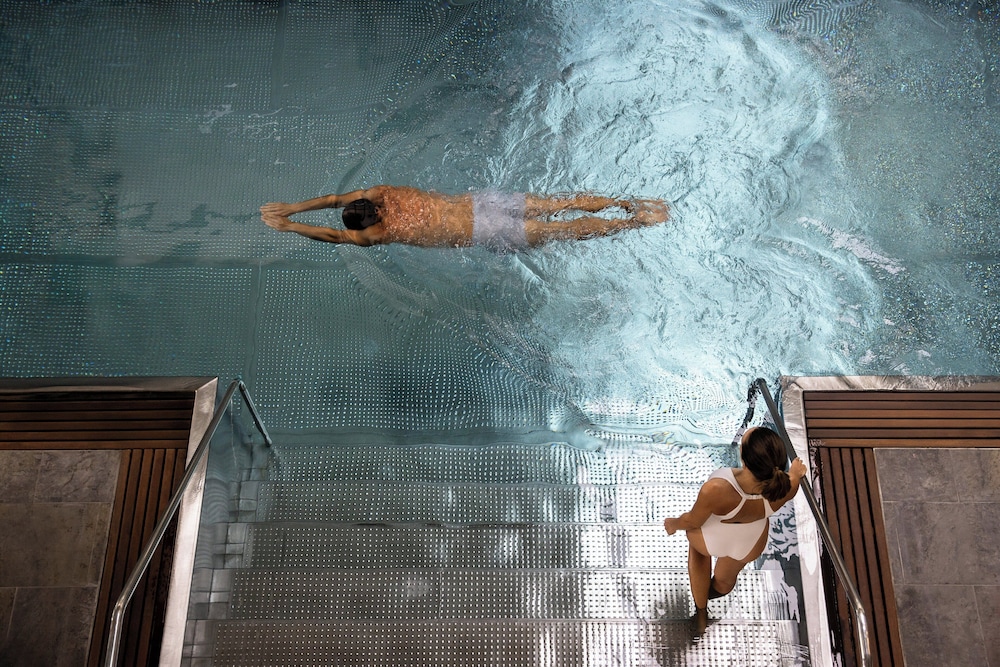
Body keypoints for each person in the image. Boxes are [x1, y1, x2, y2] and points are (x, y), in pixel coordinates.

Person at [663, 427, 806, 616]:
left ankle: (701, 610)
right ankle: (712, 593)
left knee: (698, 550)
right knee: (725, 580)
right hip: (750, 543)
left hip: (711, 540)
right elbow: (794, 476)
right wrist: (795, 472)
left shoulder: (717, 489)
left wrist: (673, 524)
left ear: (744, 459)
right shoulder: (789, 484)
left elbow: (692, 521)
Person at [260, 185, 669, 251]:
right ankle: (633, 203)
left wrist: (291, 225)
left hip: (482, 229)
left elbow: (334, 236)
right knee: (557, 203)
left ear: (368, 224)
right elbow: (334, 199)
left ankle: (632, 223)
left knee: (562, 230)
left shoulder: (381, 234)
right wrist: (292, 205)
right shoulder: (382, 193)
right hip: (482, 202)